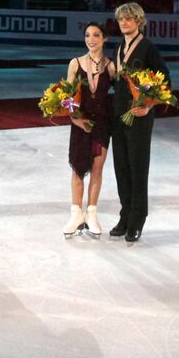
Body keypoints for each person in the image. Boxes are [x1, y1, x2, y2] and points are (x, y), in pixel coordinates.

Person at [110, 2, 171, 244]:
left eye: (129, 19)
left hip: (140, 118)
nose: (124, 23)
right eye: (121, 19)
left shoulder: (148, 48)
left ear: (138, 21)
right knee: (121, 168)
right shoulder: (118, 47)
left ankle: (137, 220)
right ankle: (125, 216)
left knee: (137, 167)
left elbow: (165, 81)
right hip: (119, 115)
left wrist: (148, 105)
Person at [63, 22, 116, 238]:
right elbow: (67, 98)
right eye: (87, 35)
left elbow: (121, 95)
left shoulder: (111, 66)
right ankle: (76, 214)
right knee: (77, 168)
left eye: (96, 35)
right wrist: (76, 119)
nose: (91, 39)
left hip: (102, 124)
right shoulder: (75, 63)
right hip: (80, 123)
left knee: (97, 168)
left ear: (104, 39)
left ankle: (91, 213)